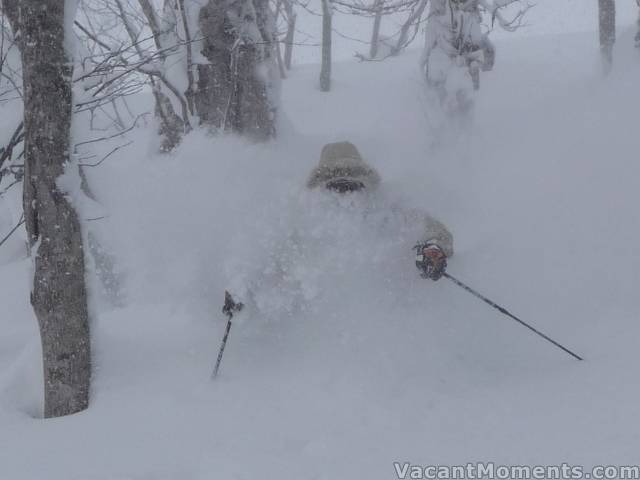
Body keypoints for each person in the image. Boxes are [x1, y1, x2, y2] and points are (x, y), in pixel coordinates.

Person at [307, 141, 453, 281]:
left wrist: (433, 249)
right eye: (336, 187)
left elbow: (429, 227)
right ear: (323, 190)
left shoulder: (386, 208)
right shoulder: (308, 224)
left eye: (351, 186)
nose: (345, 194)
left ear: (363, 184)